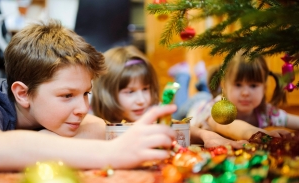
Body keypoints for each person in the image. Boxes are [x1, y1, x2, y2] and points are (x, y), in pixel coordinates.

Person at [0, 20, 184, 172]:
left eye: (86, 93)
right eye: (67, 95)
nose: (83, 108)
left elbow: (97, 127)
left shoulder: (52, 112)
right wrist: (109, 154)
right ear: (22, 93)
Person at [91, 45, 247, 149]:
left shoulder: (151, 112)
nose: (141, 100)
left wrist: (206, 135)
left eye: (145, 89)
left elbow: (177, 128)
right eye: (130, 92)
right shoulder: (96, 124)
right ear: (107, 93)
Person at [185, 53, 299, 140]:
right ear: (224, 85)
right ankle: (184, 75)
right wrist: (260, 134)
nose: (245, 93)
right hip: (196, 107)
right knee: (185, 102)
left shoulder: (265, 112)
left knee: (204, 88)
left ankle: (202, 77)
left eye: (253, 85)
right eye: (238, 85)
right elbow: (227, 125)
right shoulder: (218, 108)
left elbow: (294, 120)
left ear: (264, 88)